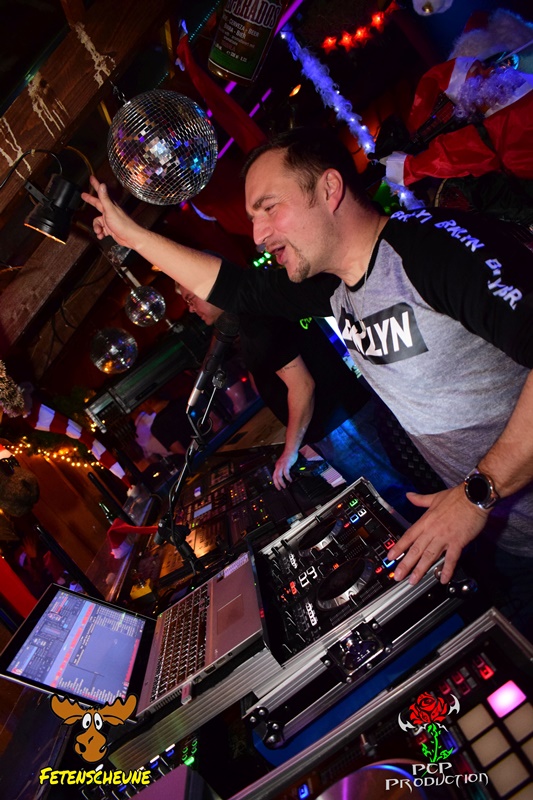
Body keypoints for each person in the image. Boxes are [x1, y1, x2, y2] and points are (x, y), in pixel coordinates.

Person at [81, 126, 533, 598]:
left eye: (269, 208)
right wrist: (135, 237)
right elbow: (233, 287)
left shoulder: (430, 251)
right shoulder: (331, 286)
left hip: (489, 503)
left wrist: (477, 494)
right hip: (504, 532)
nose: (258, 235)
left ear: (329, 189)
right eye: (253, 218)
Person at [177, 285, 419, 513]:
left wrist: (290, 452)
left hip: (341, 427)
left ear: (210, 289)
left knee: (396, 496)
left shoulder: (255, 324)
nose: (190, 309)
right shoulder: (259, 306)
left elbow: (302, 386)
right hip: (343, 419)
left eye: (190, 298)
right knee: (398, 490)